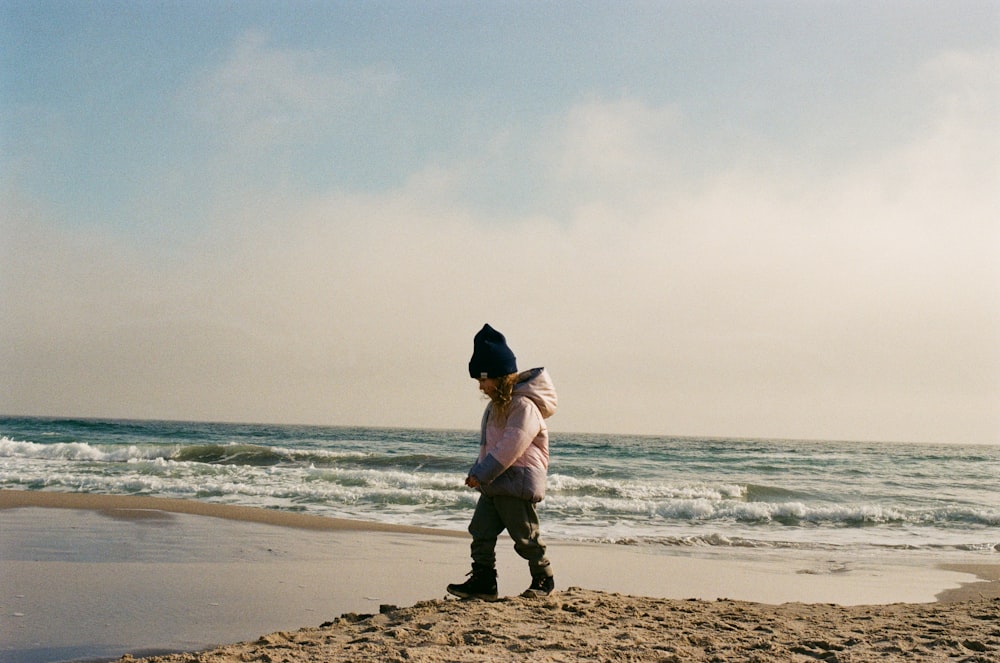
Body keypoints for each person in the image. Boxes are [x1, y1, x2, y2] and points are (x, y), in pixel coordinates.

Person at [447, 323, 558, 601]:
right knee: (480, 531)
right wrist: (477, 470)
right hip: (493, 481)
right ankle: (484, 581)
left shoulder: (524, 407)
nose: (482, 386)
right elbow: (489, 446)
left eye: (484, 380)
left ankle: (543, 577)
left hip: (517, 480)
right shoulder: (495, 407)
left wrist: (483, 473)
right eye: (479, 382)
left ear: (500, 376)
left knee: (525, 536)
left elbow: (512, 446)